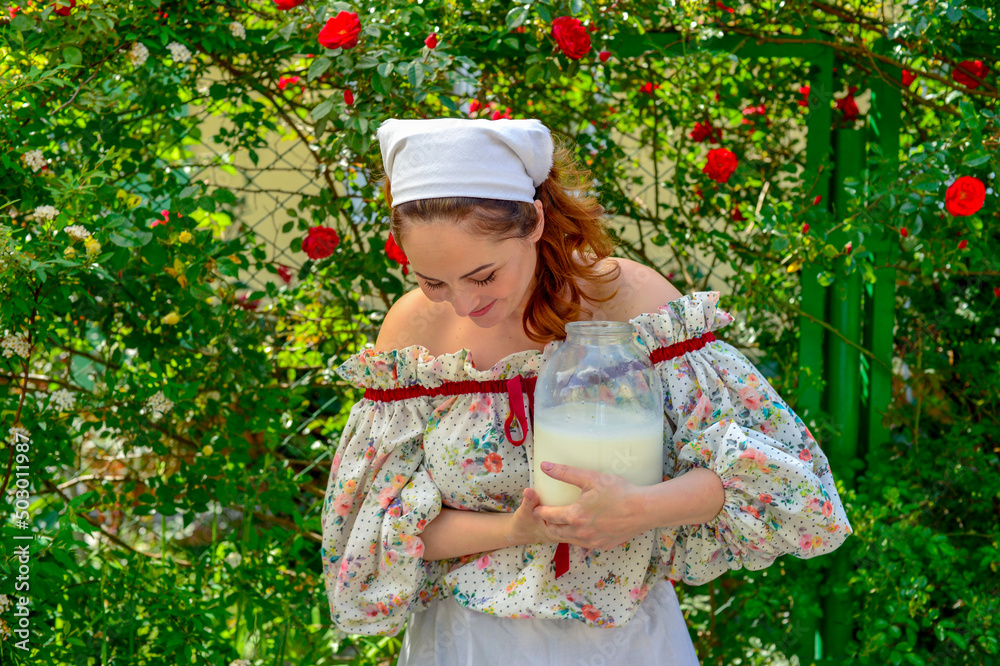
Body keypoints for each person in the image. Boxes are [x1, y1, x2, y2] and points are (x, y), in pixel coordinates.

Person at [320, 117, 853, 665]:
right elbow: (383, 525)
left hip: (627, 643)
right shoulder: (414, 335)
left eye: (483, 275)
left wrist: (640, 509)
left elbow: (778, 479)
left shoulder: (630, 304)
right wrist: (516, 529)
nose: (463, 303)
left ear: (534, 221)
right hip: (465, 644)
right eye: (433, 281)